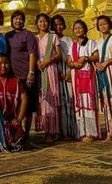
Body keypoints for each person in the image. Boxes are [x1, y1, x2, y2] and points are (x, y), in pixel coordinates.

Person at [5, 10, 38, 137]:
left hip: (25, 74)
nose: (18, 21)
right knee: (14, 105)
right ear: (12, 20)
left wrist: (31, 72)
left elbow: (32, 54)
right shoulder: (8, 35)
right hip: (13, 75)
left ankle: (27, 132)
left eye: (20, 19)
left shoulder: (28, 35)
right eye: (15, 19)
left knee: (27, 106)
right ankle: (15, 131)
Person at [68, 19, 99, 142]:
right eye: (75, 28)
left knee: (88, 104)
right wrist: (74, 64)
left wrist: (86, 58)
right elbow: (68, 60)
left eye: (80, 28)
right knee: (79, 104)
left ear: (85, 30)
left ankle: (90, 133)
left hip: (87, 77)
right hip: (76, 77)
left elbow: (96, 56)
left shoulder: (90, 42)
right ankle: (81, 132)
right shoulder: (73, 45)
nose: (78, 30)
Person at [35, 13, 62, 143]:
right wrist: (37, 64)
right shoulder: (34, 38)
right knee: (42, 100)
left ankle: (52, 131)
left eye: (45, 21)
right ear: (37, 23)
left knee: (51, 97)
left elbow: (59, 54)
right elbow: (32, 54)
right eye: (40, 21)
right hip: (40, 70)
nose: (43, 24)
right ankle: (45, 131)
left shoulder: (53, 36)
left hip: (50, 69)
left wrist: (48, 61)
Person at [51, 14, 77, 140]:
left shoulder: (68, 40)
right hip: (55, 72)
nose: (58, 27)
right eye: (55, 25)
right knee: (57, 103)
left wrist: (68, 72)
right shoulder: (51, 39)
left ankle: (70, 131)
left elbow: (71, 57)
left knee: (69, 101)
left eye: (60, 24)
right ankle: (59, 131)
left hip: (67, 71)